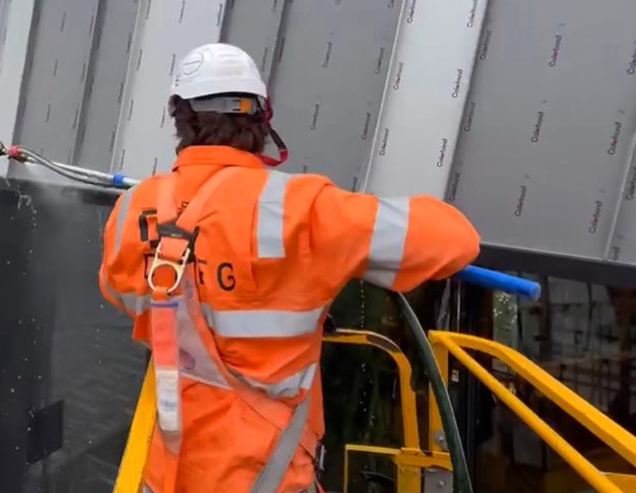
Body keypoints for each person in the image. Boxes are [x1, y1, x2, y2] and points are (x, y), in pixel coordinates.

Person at [99, 43, 481, 493]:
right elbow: (456, 241)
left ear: (180, 119)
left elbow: (119, 291)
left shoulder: (133, 209)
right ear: (262, 121)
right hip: (266, 473)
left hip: (163, 474)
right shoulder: (301, 210)